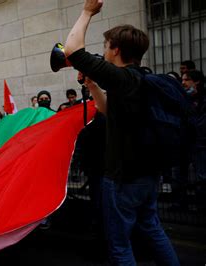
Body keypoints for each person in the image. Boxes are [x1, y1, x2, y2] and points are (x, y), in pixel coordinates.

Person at [63, 1, 179, 265]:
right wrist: (92, 86)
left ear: (115, 50)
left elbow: (72, 49)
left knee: (120, 245)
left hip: (123, 177)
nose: (103, 51)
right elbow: (107, 111)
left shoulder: (121, 77)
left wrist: (87, 12)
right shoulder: (140, 78)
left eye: (106, 46)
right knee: (151, 228)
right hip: (147, 175)